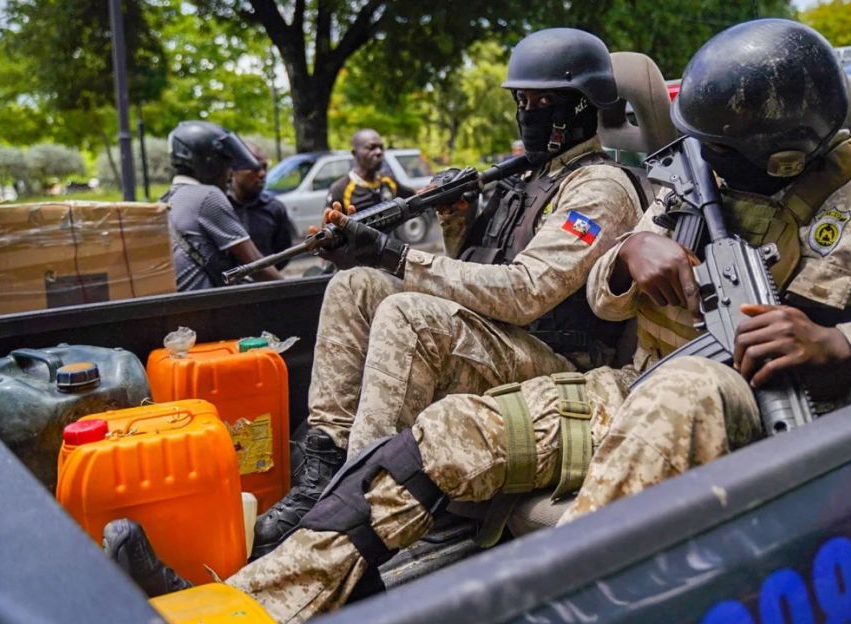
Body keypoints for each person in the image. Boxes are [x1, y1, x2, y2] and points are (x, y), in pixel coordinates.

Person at [106, 20, 851, 621]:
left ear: (782, 156)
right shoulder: (694, 180)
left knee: (693, 385)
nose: (703, 167)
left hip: (781, 420)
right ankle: (244, 606)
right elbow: (614, 292)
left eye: (724, 153)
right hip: (634, 387)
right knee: (441, 440)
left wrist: (844, 344)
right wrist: (634, 256)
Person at [247, 26, 645, 557]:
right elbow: (478, 281)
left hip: (562, 369)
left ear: (580, 106)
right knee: (356, 285)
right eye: (521, 99)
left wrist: (396, 254)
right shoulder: (531, 176)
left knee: (409, 313)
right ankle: (323, 470)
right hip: (508, 343)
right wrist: (454, 226)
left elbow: (525, 294)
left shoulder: (598, 188)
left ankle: (351, 513)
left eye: (542, 100)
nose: (527, 110)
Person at [164, 121, 282, 290]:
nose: (230, 174)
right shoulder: (208, 196)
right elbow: (256, 266)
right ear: (210, 162)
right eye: (227, 164)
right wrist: (297, 290)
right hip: (209, 311)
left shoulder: (168, 199)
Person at [228, 142, 294, 269]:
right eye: (254, 168)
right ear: (234, 170)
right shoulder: (218, 207)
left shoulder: (275, 209)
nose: (262, 174)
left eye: (264, 167)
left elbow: (283, 254)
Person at [324, 129, 414, 212]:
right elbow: (328, 224)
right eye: (371, 148)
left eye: (381, 147)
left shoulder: (388, 181)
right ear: (354, 153)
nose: (379, 152)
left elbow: (414, 197)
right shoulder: (340, 189)